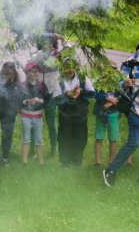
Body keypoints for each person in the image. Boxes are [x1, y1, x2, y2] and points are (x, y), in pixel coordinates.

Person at [103, 57, 139, 186]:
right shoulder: (130, 63)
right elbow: (117, 85)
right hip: (135, 110)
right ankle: (111, 170)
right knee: (134, 142)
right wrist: (125, 84)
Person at [55, 60, 95, 166]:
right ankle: (65, 161)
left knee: (80, 138)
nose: (70, 70)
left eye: (72, 67)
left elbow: (91, 93)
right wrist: (67, 94)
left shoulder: (82, 78)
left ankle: (77, 161)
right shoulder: (59, 79)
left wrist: (81, 92)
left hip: (80, 114)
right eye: (67, 67)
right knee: (64, 137)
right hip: (65, 114)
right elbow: (56, 99)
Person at [20, 62, 50, 165]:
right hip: (26, 116)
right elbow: (18, 100)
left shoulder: (41, 85)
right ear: (27, 73)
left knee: (39, 139)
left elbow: (47, 100)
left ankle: (41, 161)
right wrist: (27, 101)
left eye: (36, 71)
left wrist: (39, 101)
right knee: (26, 138)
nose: (34, 74)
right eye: (32, 72)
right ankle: (24, 161)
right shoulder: (22, 85)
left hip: (38, 116)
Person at [0, 62, 21, 165]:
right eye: (5, 73)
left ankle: (5, 157)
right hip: (2, 110)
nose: (7, 75)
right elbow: (2, 93)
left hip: (11, 112)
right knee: (4, 132)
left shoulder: (16, 84)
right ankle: (4, 154)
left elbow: (16, 97)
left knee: (8, 133)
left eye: (9, 73)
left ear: (14, 73)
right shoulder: (1, 81)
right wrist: (4, 82)